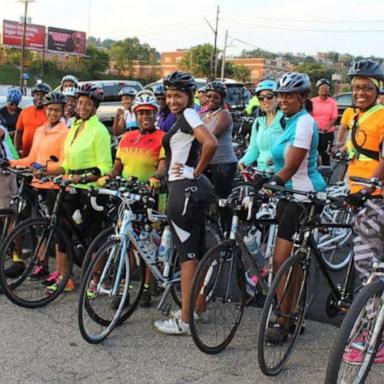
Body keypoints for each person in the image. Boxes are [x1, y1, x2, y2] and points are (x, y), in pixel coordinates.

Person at [154, 71, 218, 335]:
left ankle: (185, 319)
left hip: (184, 190)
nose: (172, 100)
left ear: (189, 96)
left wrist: (195, 170)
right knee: (197, 252)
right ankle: (197, 308)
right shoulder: (183, 117)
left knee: (187, 256)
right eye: (168, 96)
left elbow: (210, 143)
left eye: (177, 96)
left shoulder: (190, 115)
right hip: (190, 191)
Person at [266, 72, 325, 343]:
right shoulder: (285, 119)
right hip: (288, 194)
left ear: (302, 98)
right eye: (281, 95)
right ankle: (290, 313)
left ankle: (283, 319)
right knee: (288, 260)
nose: (283, 99)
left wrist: (274, 181)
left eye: (290, 95)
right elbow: (276, 158)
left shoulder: (304, 122)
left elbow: (292, 165)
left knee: (283, 259)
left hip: (304, 194)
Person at [39, 83, 112, 292]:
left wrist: (83, 178)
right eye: (80, 102)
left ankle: (97, 279)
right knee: (64, 231)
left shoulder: (99, 131)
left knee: (92, 235)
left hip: (90, 190)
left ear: (95, 107)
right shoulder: (75, 127)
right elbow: (67, 164)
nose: (82, 106)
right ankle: (64, 276)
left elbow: (105, 167)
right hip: (72, 187)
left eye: (87, 103)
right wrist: (46, 171)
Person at [106, 90, 167, 307]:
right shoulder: (127, 137)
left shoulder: (162, 137)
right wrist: (109, 176)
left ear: (155, 114)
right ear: (136, 114)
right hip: (128, 197)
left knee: (149, 243)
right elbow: (118, 165)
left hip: (150, 195)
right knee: (128, 242)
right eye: (141, 113)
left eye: (149, 113)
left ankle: (149, 287)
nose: (145, 117)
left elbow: (163, 164)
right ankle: (127, 284)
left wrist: (156, 176)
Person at [341, 59, 384, 364]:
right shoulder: (358, 115)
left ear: (378, 90)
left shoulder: (382, 115)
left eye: (368, 87)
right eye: (357, 87)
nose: (361, 91)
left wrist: (369, 187)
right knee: (370, 267)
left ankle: (373, 339)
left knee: (368, 269)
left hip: (376, 199)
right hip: (361, 196)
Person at [5, 92, 69, 279]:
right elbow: (32, 159)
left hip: (54, 185)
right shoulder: (41, 130)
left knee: (55, 229)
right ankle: (42, 264)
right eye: (50, 109)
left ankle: (61, 272)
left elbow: (64, 163)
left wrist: (45, 169)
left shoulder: (65, 132)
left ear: (62, 111)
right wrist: (10, 163)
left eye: (57, 110)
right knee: (40, 226)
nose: (53, 113)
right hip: (37, 183)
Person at [201, 80, 237, 232]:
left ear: (222, 99)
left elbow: (212, 135)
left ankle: (228, 231)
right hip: (208, 162)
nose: (211, 100)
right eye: (209, 96)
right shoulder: (203, 116)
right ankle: (212, 227)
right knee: (204, 195)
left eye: (216, 97)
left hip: (224, 163)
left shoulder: (224, 115)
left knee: (222, 199)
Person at [239, 78, 284, 174]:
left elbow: (294, 150)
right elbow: (253, 149)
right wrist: (243, 162)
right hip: (261, 172)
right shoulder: (258, 122)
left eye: (269, 96)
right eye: (261, 98)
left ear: (278, 98)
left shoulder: (285, 120)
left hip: (282, 175)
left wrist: (277, 159)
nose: (265, 100)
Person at [15, 82, 51, 157]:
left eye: (43, 95)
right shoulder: (25, 111)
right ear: (33, 96)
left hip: (42, 156)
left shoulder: (50, 113)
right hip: (24, 155)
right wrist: (17, 150)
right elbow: (18, 132)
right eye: (37, 95)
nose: (39, 97)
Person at [311, 79, 338, 165]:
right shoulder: (313, 101)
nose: (324, 89)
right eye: (322, 88)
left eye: (326, 88)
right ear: (318, 90)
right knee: (313, 154)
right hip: (315, 132)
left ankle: (326, 174)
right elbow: (309, 116)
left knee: (325, 154)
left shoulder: (332, 102)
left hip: (327, 133)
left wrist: (327, 127)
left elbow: (334, 117)